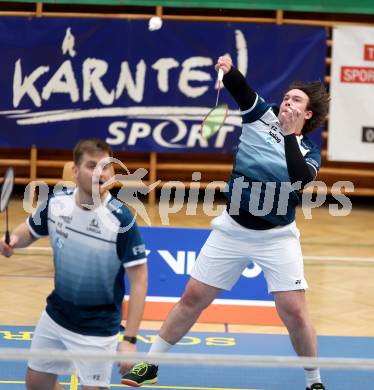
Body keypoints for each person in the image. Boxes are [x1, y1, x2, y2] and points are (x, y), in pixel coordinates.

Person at [121, 54, 330, 390]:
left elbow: (300, 180)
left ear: (308, 114)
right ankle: (151, 364)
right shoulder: (260, 115)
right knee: (193, 296)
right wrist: (229, 70)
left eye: (296, 100)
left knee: (295, 311)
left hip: (277, 236)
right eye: (287, 96)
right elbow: (241, 89)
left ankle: (314, 380)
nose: (288, 101)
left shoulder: (307, 151)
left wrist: (290, 136)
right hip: (232, 229)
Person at [0, 138, 148, 390]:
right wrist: (14, 239)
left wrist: (130, 340)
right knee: (36, 385)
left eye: (106, 166)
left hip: (98, 327)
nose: (100, 173)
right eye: (92, 166)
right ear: (76, 172)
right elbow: (30, 229)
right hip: (57, 315)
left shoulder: (121, 221)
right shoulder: (58, 204)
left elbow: (139, 281)